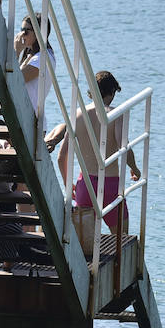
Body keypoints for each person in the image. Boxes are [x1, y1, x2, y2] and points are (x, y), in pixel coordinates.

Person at [54, 70, 141, 235]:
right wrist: (135, 169)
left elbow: (61, 156)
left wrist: (68, 184)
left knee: (85, 243)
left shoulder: (78, 115)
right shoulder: (115, 114)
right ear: (112, 91)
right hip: (110, 185)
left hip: (85, 184)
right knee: (120, 242)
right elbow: (124, 147)